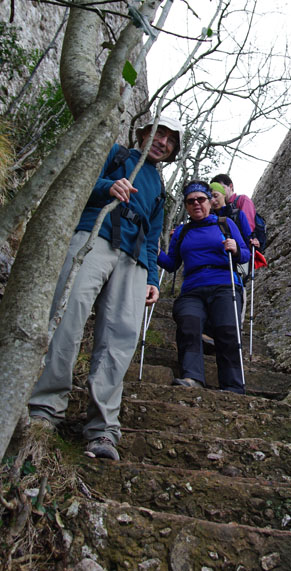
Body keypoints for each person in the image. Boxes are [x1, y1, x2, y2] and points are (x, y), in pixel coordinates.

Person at [29, 115, 183, 461]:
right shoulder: (114, 155)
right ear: (143, 134)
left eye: (171, 141)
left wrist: (151, 279)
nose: (162, 142)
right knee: (67, 318)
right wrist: (106, 188)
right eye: (158, 134)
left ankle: (103, 430)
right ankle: (44, 409)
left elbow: (153, 234)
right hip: (94, 234)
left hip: (133, 259)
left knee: (120, 338)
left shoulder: (159, 190)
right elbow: (78, 183)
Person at [157, 180, 250, 394]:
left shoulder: (225, 224)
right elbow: (172, 264)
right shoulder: (181, 232)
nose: (196, 204)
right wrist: (156, 254)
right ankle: (192, 377)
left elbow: (245, 254)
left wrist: (236, 249)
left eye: (201, 199)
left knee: (227, 331)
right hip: (192, 288)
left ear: (209, 202)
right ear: (186, 206)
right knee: (189, 323)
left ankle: (233, 386)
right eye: (191, 201)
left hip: (225, 283)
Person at [211, 173, 259, 247]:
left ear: (231, 186)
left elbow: (248, 227)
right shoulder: (216, 210)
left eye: (222, 188)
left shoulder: (242, 200)